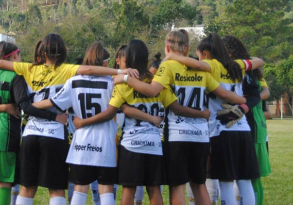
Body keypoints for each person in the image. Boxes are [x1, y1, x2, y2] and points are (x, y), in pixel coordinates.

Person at [0, 33, 138, 205]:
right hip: (54, 134)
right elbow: (89, 70)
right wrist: (120, 71)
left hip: (30, 133)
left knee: (27, 188)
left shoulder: (29, 68)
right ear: (62, 51)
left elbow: (0, 63)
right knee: (56, 190)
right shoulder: (66, 70)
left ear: (43, 52)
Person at [74, 39, 211, 205]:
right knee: (154, 189)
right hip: (154, 144)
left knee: (128, 189)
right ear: (146, 57)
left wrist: (83, 121)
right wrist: (202, 114)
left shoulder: (123, 82)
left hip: (131, 143)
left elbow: (112, 111)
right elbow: (176, 107)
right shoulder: (158, 83)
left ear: (128, 58)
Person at [0, 41, 66, 205]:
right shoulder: (16, 76)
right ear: (14, 55)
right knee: (4, 180)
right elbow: (25, 107)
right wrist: (54, 117)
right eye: (20, 55)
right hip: (5, 132)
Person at [160, 33, 263, 205]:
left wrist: (171, 56)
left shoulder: (211, 65)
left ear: (206, 54)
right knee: (245, 180)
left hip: (222, 130)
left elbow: (196, 65)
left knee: (226, 182)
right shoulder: (237, 65)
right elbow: (259, 61)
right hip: (243, 129)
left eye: (199, 54)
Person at [31, 42, 119, 205]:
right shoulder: (113, 83)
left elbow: (53, 102)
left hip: (81, 144)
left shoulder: (74, 81)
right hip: (105, 143)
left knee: (80, 188)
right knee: (106, 189)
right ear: (106, 64)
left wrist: (29, 106)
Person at [222, 35, 271, 205]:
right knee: (240, 175)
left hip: (253, 122)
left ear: (230, 51)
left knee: (252, 175)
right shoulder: (224, 68)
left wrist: (244, 100)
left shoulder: (249, 69)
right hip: (236, 124)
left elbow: (264, 92)